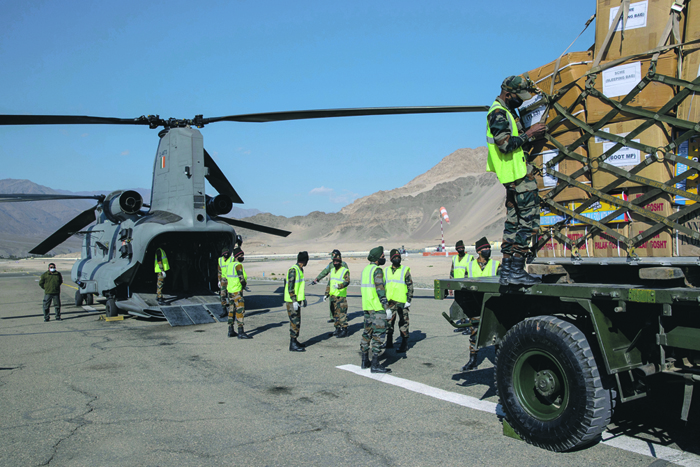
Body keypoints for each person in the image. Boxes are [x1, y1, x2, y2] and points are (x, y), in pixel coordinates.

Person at [486, 75, 546, 286]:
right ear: (507, 94)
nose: (521, 101)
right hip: (518, 175)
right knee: (527, 222)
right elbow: (504, 144)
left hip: (514, 174)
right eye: (518, 97)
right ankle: (517, 269)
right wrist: (530, 134)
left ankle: (508, 272)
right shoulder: (499, 113)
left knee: (513, 223)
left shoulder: (507, 110)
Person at [462, 237, 501, 371]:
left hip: (494, 305)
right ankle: (472, 360)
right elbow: (465, 286)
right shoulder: (470, 266)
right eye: (485, 248)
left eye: (489, 248)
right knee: (474, 333)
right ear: (478, 251)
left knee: (497, 334)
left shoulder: (496, 265)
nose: (488, 250)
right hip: (476, 305)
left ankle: (499, 361)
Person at [360, 246, 391, 373]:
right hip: (377, 308)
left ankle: (364, 361)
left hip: (367, 307)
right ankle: (375, 363)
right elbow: (380, 288)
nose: (384, 259)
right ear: (378, 258)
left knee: (367, 333)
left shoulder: (365, 270)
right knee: (378, 335)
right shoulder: (377, 270)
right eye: (383, 257)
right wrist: (386, 306)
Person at [384, 248, 414, 353]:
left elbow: (410, 286)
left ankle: (404, 344)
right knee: (388, 322)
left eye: (398, 257)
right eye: (395, 258)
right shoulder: (386, 271)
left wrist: (409, 299)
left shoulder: (405, 270)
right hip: (390, 301)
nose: (397, 259)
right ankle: (388, 341)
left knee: (403, 322)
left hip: (402, 302)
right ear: (391, 259)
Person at [310, 249, 349, 323]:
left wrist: (342, 285)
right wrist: (317, 279)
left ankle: (342, 317)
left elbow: (346, 276)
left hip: (340, 287)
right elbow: (324, 272)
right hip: (331, 284)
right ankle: (333, 317)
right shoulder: (331, 264)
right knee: (331, 301)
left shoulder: (343, 264)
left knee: (341, 304)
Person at [285, 251, 309, 352]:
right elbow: (290, 287)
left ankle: (295, 340)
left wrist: (303, 298)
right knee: (294, 322)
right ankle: (292, 343)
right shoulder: (293, 270)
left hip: (297, 300)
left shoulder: (300, 269)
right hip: (292, 301)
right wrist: (294, 300)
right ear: (304, 260)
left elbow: (299, 287)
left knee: (297, 321)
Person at [226, 247, 252, 339]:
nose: (242, 257)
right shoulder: (238, 265)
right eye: (241, 255)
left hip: (230, 291)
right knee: (240, 311)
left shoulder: (229, 265)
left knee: (231, 310)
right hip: (237, 291)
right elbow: (241, 278)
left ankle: (230, 330)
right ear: (237, 256)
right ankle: (241, 331)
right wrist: (244, 286)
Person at [449, 240, 473, 331]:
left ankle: (471, 326)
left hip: (467, 285)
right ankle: (463, 324)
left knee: (468, 304)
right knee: (459, 304)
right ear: (456, 249)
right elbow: (452, 272)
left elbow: (473, 271)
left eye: (462, 248)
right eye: (459, 248)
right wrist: (451, 286)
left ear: (464, 248)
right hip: (457, 286)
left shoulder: (469, 258)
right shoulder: (454, 258)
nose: (460, 249)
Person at [324, 255, 350, 338]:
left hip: (340, 296)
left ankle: (344, 330)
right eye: (334, 261)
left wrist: (339, 286)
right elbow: (329, 283)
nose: (335, 263)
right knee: (335, 314)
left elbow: (347, 281)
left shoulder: (344, 270)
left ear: (340, 262)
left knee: (341, 314)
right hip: (333, 296)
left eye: (337, 261)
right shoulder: (332, 270)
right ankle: (337, 329)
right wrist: (326, 294)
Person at [217, 247, 233, 318]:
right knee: (222, 295)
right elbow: (219, 271)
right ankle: (224, 310)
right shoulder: (220, 260)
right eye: (225, 253)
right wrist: (219, 280)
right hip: (223, 280)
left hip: (230, 279)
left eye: (227, 253)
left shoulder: (231, 259)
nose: (226, 254)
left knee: (230, 295)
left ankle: (231, 311)